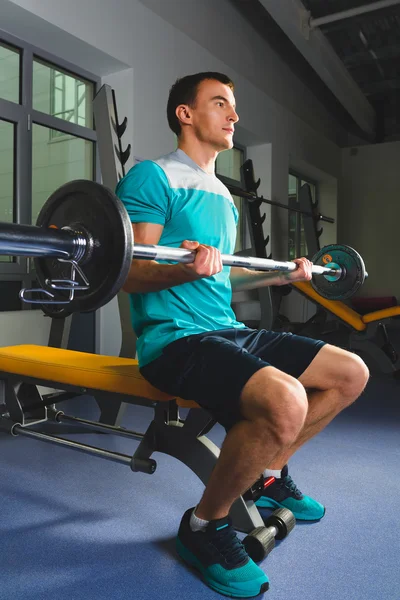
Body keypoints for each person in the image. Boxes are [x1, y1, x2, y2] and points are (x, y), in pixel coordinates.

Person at [116, 72, 369, 598]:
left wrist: (282, 275)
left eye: (234, 106)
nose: (234, 116)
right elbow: (131, 271)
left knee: (350, 373)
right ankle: (204, 526)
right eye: (221, 104)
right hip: (175, 341)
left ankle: (268, 473)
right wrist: (187, 270)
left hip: (227, 329)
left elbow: (223, 275)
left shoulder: (225, 198)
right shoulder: (152, 178)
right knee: (286, 400)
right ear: (185, 114)